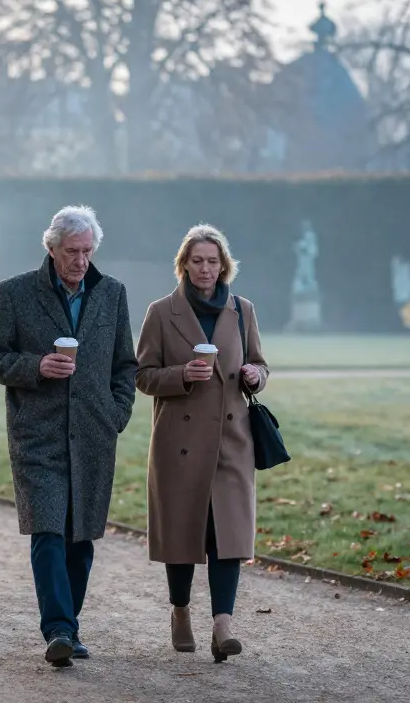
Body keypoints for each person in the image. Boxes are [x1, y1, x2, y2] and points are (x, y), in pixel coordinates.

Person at [0, 205, 138, 667]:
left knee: (80, 537)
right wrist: (36, 366)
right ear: (51, 248)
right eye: (72, 251)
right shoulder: (15, 293)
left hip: (93, 434)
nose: (80, 261)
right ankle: (60, 630)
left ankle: (69, 625)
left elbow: (125, 365)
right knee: (48, 530)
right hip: (37, 437)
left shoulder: (112, 295)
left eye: (87, 252)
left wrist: (115, 414)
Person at [133, 223, 270, 663]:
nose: (206, 268)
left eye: (213, 261)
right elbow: (141, 375)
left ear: (223, 264)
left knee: (226, 532)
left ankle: (223, 623)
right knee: (183, 530)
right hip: (179, 442)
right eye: (198, 261)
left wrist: (255, 376)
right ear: (184, 265)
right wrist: (180, 376)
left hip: (232, 439)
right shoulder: (160, 312)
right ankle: (180, 612)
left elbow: (260, 365)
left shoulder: (242, 309)